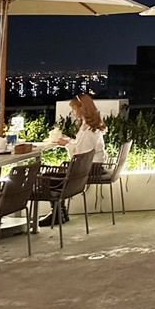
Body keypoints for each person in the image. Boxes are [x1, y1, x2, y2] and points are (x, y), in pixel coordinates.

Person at [41, 94, 110, 226]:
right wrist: (70, 141)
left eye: (74, 109)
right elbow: (81, 147)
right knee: (54, 174)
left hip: (87, 170)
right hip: (93, 168)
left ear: (81, 109)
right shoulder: (90, 127)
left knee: (47, 177)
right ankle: (60, 212)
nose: (72, 112)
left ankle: (58, 212)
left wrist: (66, 144)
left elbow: (80, 154)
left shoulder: (88, 131)